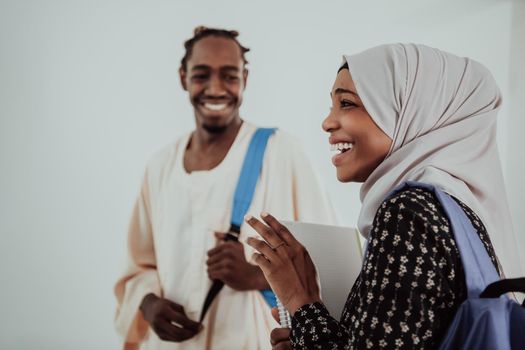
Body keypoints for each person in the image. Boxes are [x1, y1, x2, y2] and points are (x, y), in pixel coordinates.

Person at [245, 43, 523, 349]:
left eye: (347, 104)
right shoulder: (460, 213)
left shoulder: (408, 212)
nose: (327, 122)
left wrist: (301, 302)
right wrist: (305, 336)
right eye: (331, 105)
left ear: (412, 109)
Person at [113, 26, 336, 350]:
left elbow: (330, 265)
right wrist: (148, 305)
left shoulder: (281, 151)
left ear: (245, 77)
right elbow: (139, 266)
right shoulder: (160, 166)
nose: (215, 89)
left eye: (229, 76)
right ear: (182, 77)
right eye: (202, 75)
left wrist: (256, 275)